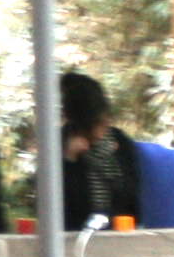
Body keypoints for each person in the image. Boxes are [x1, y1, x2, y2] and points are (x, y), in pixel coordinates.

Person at [56, 71, 143, 233]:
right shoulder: (58, 145)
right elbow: (58, 206)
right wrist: (69, 161)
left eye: (105, 120)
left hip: (119, 232)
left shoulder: (120, 142)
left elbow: (133, 197)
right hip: (76, 233)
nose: (104, 128)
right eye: (98, 123)